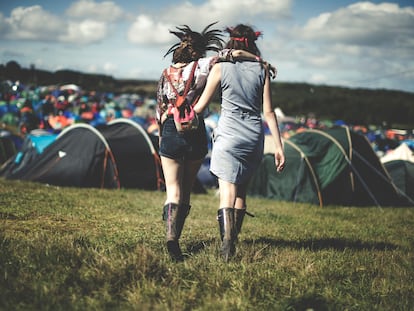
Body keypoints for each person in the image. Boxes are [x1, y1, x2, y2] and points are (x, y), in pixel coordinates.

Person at [157, 22, 269, 262]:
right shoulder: (206, 66)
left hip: (170, 130)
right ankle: (214, 241)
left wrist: (163, 134)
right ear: (200, 50)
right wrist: (258, 60)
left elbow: (159, 110)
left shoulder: (165, 74)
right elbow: (233, 54)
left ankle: (171, 238)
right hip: (196, 130)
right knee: (186, 189)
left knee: (172, 190)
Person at [193, 24, 286, 261]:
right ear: (252, 44)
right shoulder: (262, 70)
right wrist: (278, 146)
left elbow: (201, 107)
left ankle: (226, 246)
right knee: (241, 191)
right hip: (253, 136)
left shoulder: (221, 68)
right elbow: (269, 112)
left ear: (230, 43)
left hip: (228, 135)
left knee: (227, 192)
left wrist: (181, 112)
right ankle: (233, 239)